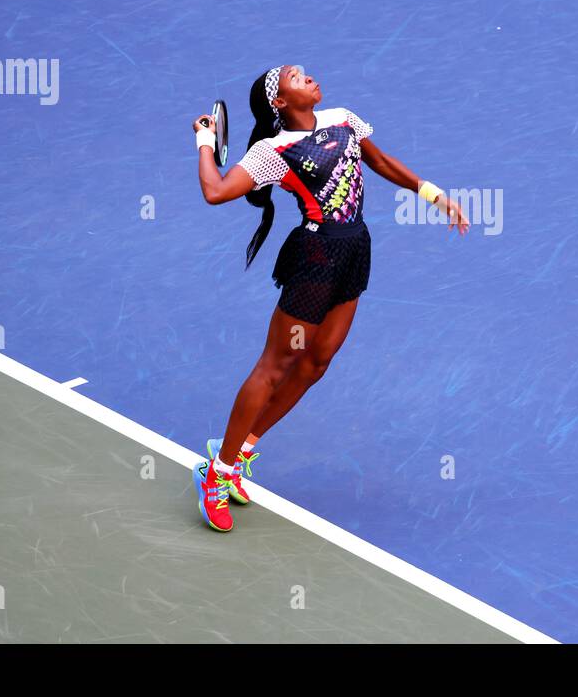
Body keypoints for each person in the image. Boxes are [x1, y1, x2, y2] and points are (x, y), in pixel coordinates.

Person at [189, 64, 469, 531]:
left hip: (355, 249)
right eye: (297, 79)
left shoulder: (342, 119)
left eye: (305, 73)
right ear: (280, 102)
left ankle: (240, 454)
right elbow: (215, 192)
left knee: (317, 361)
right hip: (315, 260)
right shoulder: (272, 152)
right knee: (275, 365)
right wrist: (204, 142)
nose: (309, 78)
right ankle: (216, 475)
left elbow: (377, 161)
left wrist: (431, 193)